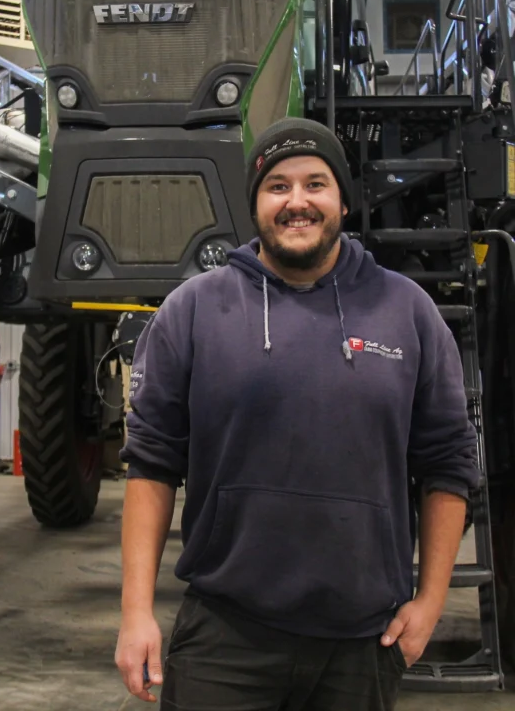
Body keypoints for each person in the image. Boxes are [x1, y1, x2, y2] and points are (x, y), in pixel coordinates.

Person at [114, 117, 480, 710]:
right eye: (277, 186)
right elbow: (151, 464)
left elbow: (448, 462)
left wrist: (431, 599)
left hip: (362, 643)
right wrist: (135, 613)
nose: (297, 201)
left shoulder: (407, 312)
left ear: (342, 199)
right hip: (224, 642)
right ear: (256, 203)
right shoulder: (193, 310)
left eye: (316, 183)